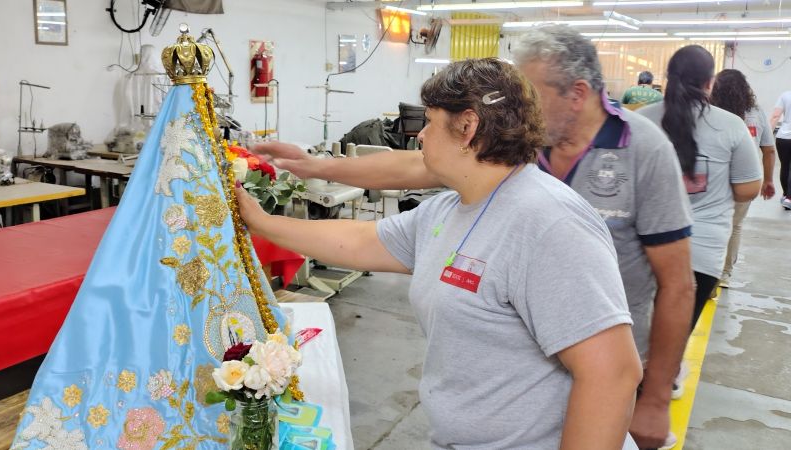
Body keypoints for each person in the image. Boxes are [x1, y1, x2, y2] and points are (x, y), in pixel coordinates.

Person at [251, 26, 694, 450]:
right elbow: (360, 240)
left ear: (467, 127)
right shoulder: (452, 209)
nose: (419, 136)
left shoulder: (547, 221)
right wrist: (260, 221)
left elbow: (611, 374)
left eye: (428, 122)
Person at [639, 46, 762, 334]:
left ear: (668, 78)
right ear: (710, 83)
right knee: (671, 342)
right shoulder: (731, 126)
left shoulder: (641, 120)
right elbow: (747, 189)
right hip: (702, 251)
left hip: (642, 248)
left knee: (633, 340)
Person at [710, 69, 776, 287]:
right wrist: (768, 180)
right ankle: (725, 274)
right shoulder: (756, 112)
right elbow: (769, 150)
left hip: (712, 178)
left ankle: (706, 269)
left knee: (707, 222)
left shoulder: (710, 111)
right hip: (745, 179)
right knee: (735, 226)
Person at [770, 90, 791, 209]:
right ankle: (789, 198)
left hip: (783, 138)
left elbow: (775, 116)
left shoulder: (785, 95)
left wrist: (766, 135)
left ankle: (785, 195)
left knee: (785, 166)